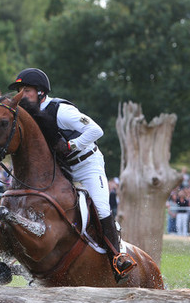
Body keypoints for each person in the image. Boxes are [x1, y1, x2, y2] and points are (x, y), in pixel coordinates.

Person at [8, 68, 136, 281]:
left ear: (41, 93)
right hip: (61, 168)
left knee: (101, 206)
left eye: (27, 90)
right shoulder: (25, 115)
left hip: (86, 164)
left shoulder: (61, 111)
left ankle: (118, 257)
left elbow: (96, 130)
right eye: (19, 90)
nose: (21, 95)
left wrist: (70, 144)